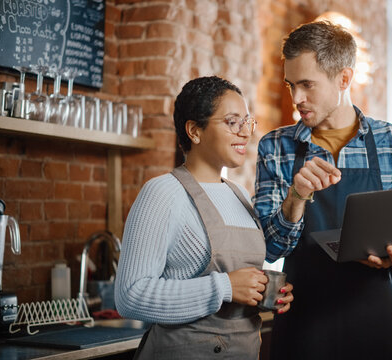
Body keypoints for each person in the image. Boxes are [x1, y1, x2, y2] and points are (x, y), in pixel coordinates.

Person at [253, 21, 392, 359]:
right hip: (304, 328)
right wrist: (296, 198)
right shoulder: (275, 147)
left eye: (307, 85)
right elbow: (269, 248)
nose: (297, 98)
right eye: (291, 85)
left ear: (344, 79)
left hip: (380, 327)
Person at [115, 76, 294, 359]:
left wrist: (263, 295)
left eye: (246, 122)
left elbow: (238, 290)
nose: (245, 132)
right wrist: (224, 286)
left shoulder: (240, 196)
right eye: (232, 122)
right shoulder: (162, 193)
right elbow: (130, 297)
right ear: (194, 131)